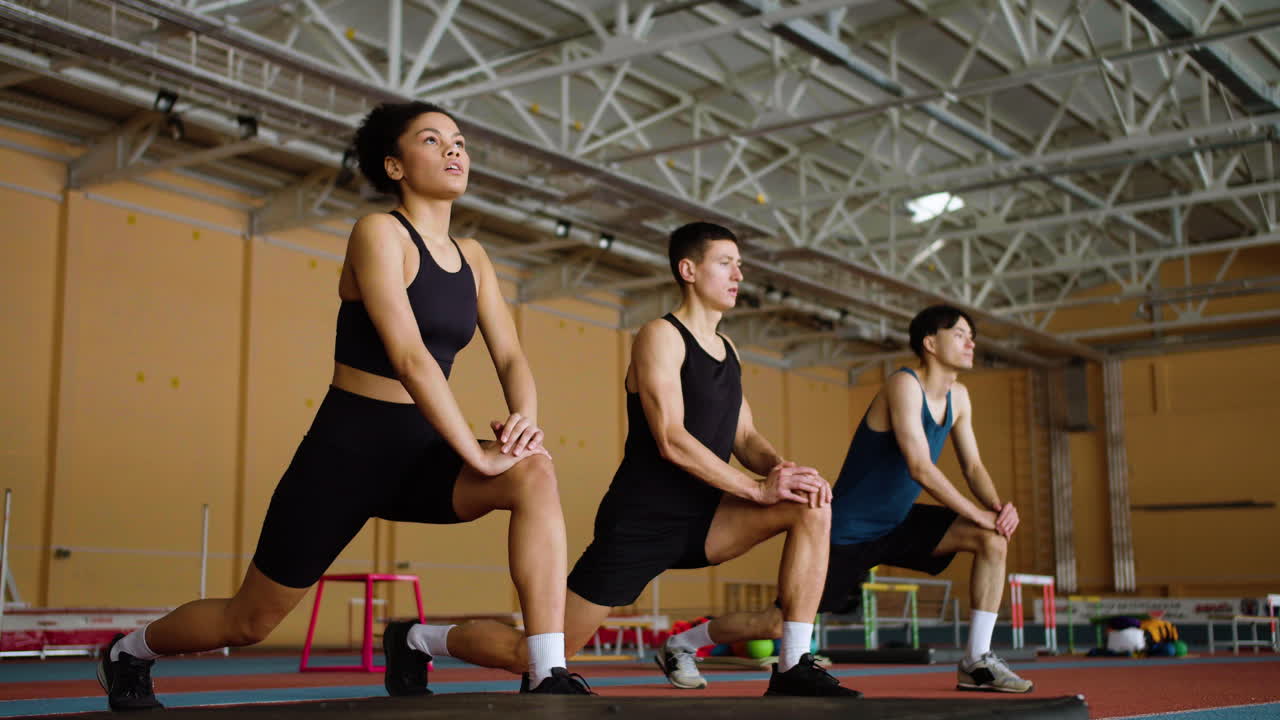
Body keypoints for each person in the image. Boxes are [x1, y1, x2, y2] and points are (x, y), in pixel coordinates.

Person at [96, 101, 588, 712]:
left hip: (422, 453)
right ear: (395, 165)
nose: (453, 150)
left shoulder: (475, 259)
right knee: (249, 621)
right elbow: (409, 357)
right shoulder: (378, 233)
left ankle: (546, 669)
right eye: (431, 140)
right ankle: (128, 652)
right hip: (346, 453)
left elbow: (511, 356)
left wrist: (522, 427)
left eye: (459, 141)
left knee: (535, 471)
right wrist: (477, 454)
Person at [564, 222, 859, 696]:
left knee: (810, 504)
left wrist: (782, 470)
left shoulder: (728, 348)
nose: (738, 274)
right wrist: (757, 489)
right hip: (642, 522)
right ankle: (431, 638)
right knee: (539, 653)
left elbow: (744, 435)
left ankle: (792, 667)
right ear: (688, 270)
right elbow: (671, 439)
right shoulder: (660, 335)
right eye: (725, 263)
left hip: (706, 519)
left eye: (739, 265)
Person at [818, 305, 1033, 693]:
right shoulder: (903, 385)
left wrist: (997, 510)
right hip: (848, 530)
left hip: (899, 521)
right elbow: (920, 467)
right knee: (773, 622)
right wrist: (977, 513)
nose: (971, 343)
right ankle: (697, 638)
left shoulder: (960, 397)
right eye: (960, 335)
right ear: (930, 343)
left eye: (972, 336)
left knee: (992, 538)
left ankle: (976, 661)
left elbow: (973, 467)